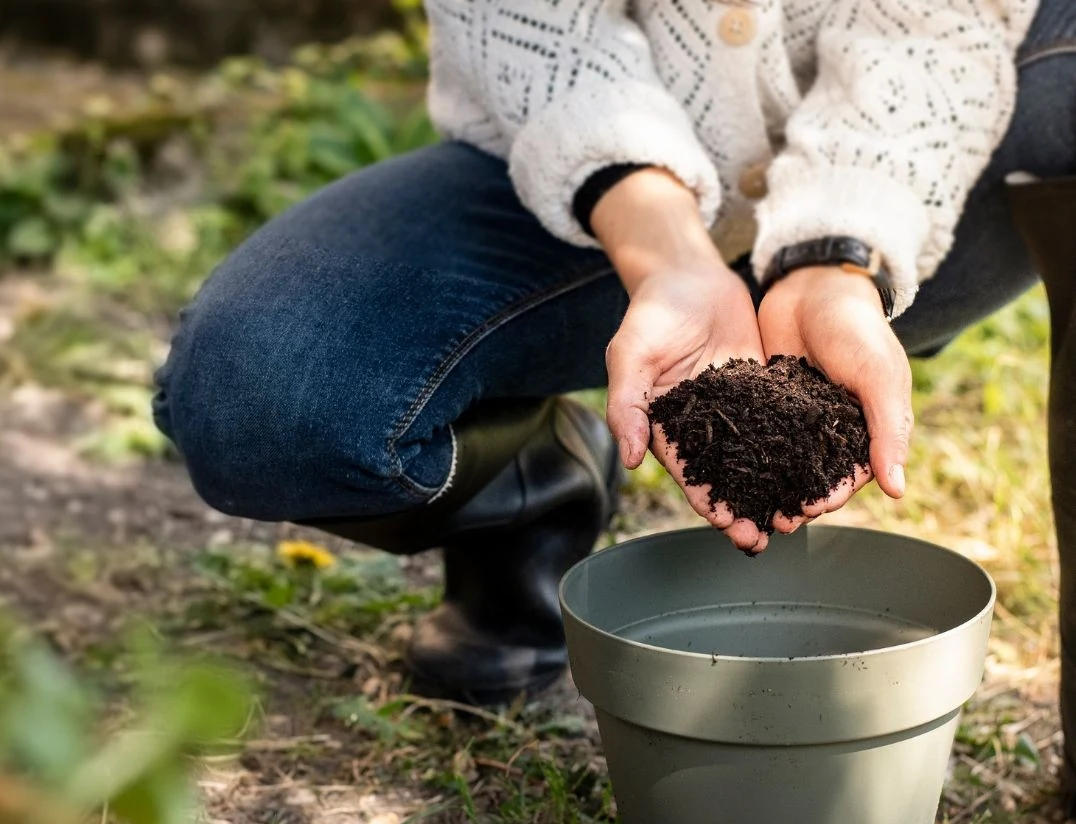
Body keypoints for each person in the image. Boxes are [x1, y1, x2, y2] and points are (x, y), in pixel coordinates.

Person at [153, 0, 1075, 737]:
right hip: (587, 191)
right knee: (258, 395)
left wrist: (837, 258)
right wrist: (664, 250)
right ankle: (535, 482)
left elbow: (933, 28)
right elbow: (529, 26)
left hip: (906, 185)